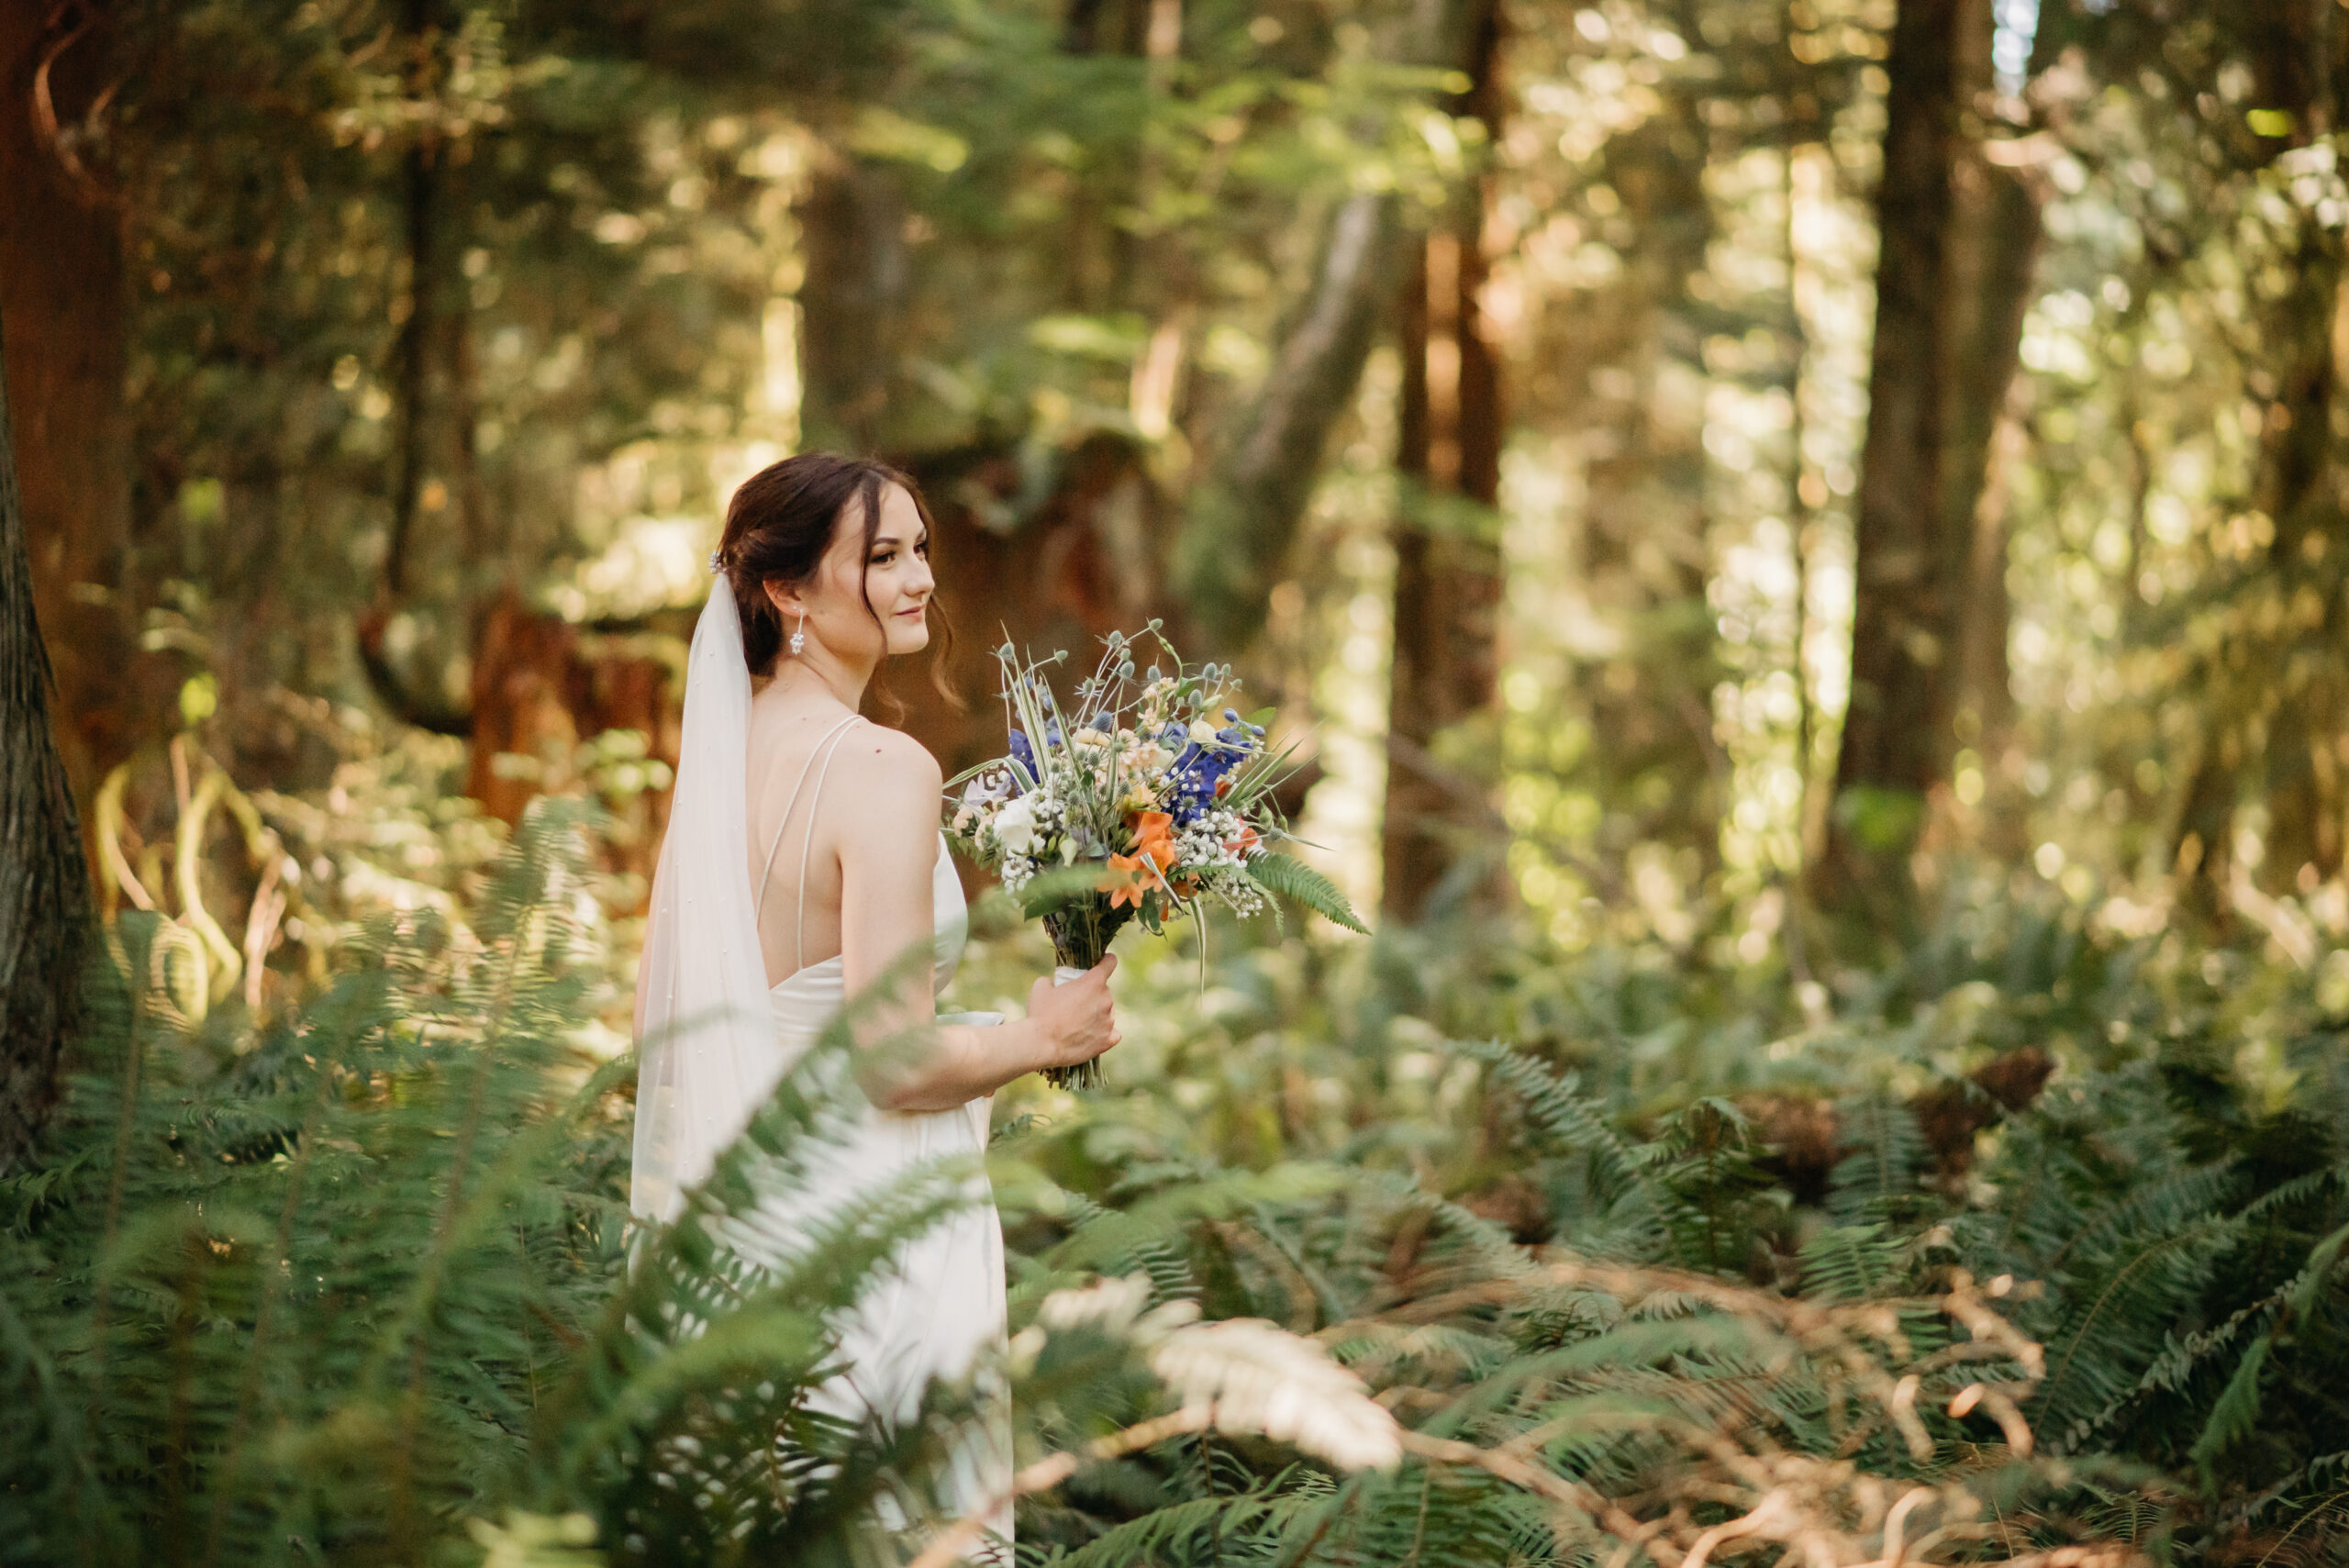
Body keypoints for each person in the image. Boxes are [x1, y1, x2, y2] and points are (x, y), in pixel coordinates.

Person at [629, 451, 1119, 1560]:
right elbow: (889, 1061)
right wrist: (1038, 1034)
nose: (918, 581)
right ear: (786, 591)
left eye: (921, 551)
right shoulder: (882, 768)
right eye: (882, 556)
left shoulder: (720, 753)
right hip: (871, 1218)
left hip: (745, 1216)